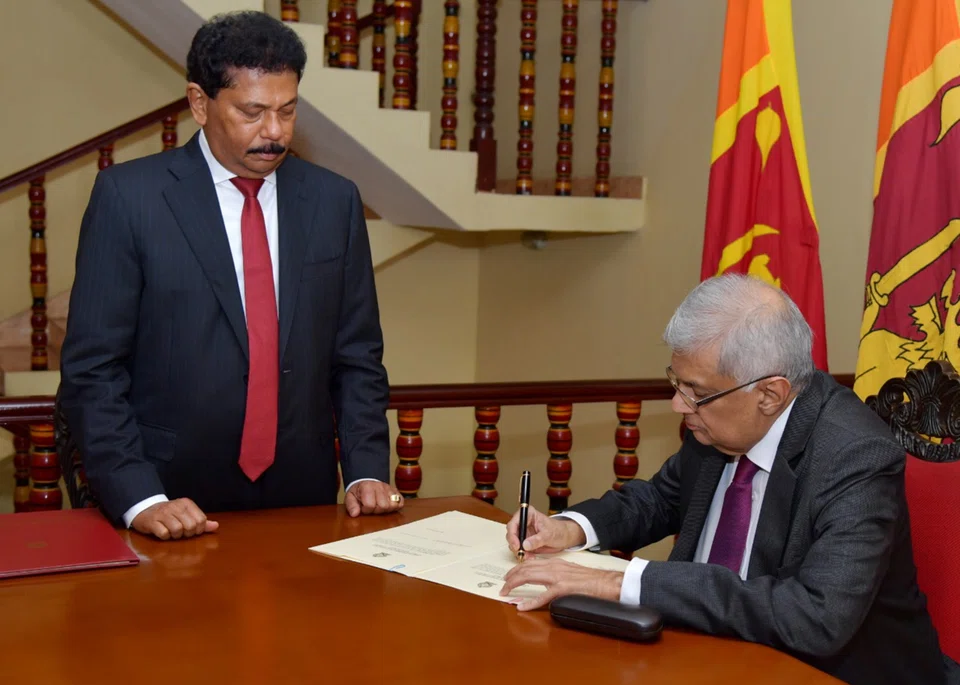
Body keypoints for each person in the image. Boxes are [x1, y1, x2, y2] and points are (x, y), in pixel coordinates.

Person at [501, 274, 947, 685]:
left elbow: (816, 617)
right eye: (677, 383)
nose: (678, 406)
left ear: (770, 394)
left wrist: (619, 583)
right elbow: (658, 500)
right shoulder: (721, 423)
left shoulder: (855, 456)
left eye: (694, 392)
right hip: (700, 655)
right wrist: (570, 527)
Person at [59, 11, 403, 542]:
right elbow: (93, 369)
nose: (275, 132)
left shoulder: (334, 201)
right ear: (200, 103)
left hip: (302, 498)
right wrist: (139, 497)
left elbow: (357, 356)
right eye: (253, 112)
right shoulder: (130, 199)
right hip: (169, 494)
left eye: (288, 111)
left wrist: (364, 469)